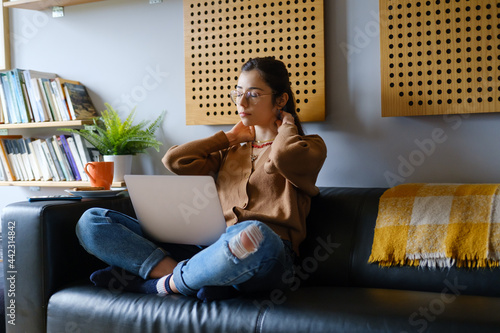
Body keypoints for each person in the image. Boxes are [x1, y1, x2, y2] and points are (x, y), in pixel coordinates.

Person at [76, 57, 327, 300]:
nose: (241, 102)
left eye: (253, 94)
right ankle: (200, 278)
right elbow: (174, 161)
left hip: (268, 254)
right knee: (92, 221)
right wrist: (227, 138)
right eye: (237, 92)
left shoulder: (309, 147)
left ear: (280, 99)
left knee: (254, 233)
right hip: (212, 248)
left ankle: (158, 285)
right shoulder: (230, 150)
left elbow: (283, 157)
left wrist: (287, 124)